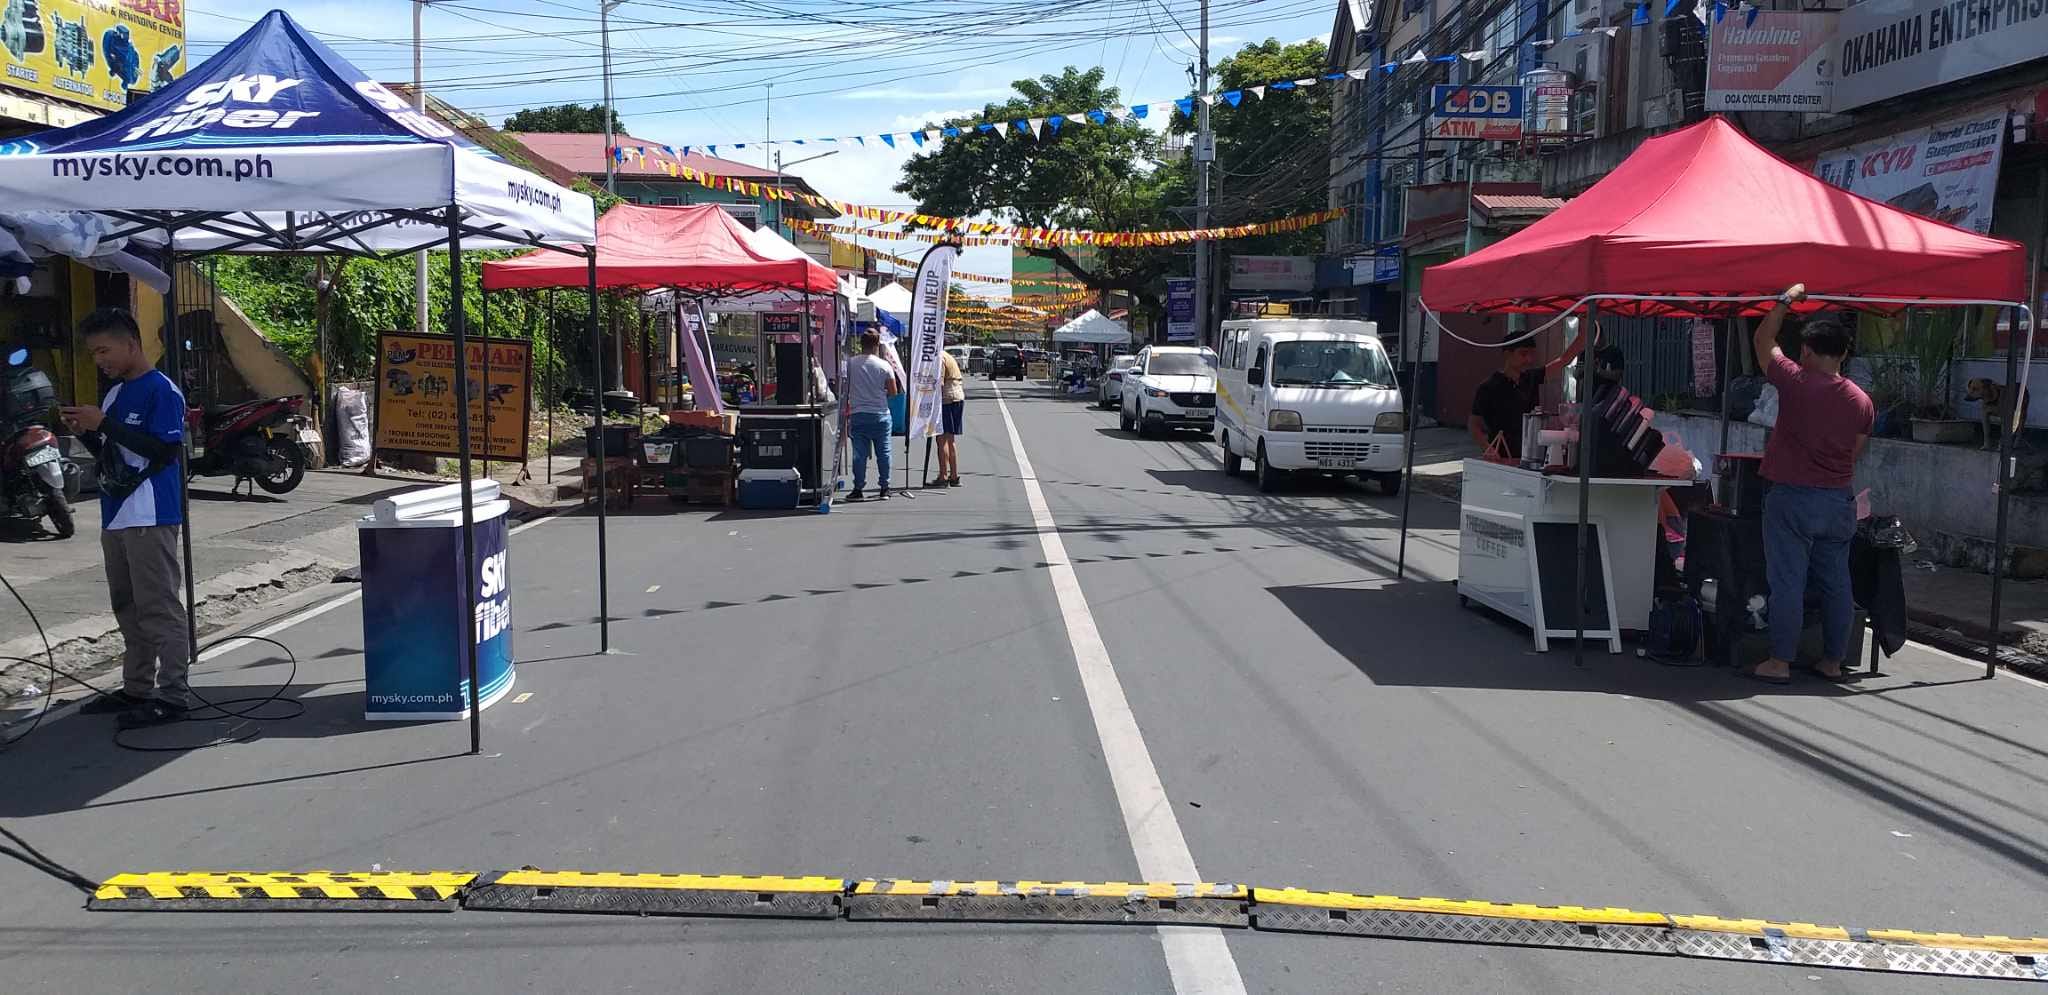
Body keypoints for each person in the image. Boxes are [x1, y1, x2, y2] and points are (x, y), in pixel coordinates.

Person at [59, 308, 192, 729]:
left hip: (151, 513)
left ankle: (173, 694)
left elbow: (165, 452)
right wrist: (86, 430)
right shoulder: (115, 395)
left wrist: (105, 425)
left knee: (158, 606)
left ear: (130, 344)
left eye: (104, 350)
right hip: (116, 513)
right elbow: (111, 456)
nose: (99, 360)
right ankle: (136, 686)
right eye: (94, 353)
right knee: (127, 606)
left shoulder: (162, 391)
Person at [1749, 284, 1873, 684]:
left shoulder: (1796, 380)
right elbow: (1856, 450)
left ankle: (1779, 661)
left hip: (1793, 497)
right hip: (1838, 500)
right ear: (1844, 353)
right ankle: (1833, 661)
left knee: (1787, 580)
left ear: (1806, 350)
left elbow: (1763, 339)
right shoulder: (1861, 400)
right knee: (1837, 583)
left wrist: (1785, 301)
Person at [1468, 329, 1591, 460]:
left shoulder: (1532, 377)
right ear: (1507, 354)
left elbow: (1564, 360)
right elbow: (1474, 424)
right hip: (1502, 455)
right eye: (1523, 354)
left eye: (1532, 354)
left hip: (1533, 454)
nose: (1529, 359)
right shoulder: (1488, 387)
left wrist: (1584, 327)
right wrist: (1487, 447)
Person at [844, 331, 899, 502]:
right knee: (884, 452)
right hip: (880, 414)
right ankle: (884, 488)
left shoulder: (850, 364)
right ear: (877, 345)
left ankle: (858, 488)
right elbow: (893, 392)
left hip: (858, 414)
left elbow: (844, 388)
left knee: (859, 454)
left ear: (861, 343)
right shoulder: (884, 365)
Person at [935, 347, 965, 487]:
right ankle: (954, 475)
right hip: (957, 395)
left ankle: (943, 475)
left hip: (947, 398)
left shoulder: (939, 357)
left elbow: (940, 383)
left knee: (941, 439)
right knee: (950, 439)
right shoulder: (948, 356)